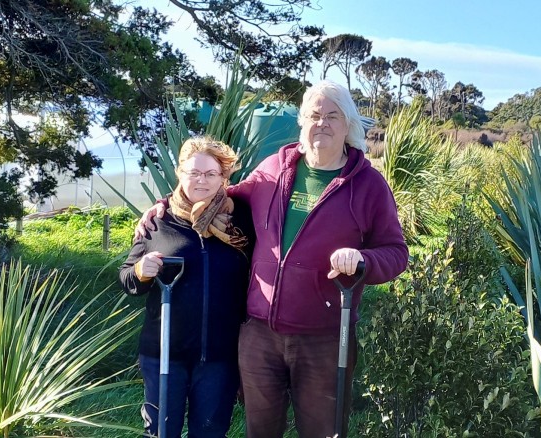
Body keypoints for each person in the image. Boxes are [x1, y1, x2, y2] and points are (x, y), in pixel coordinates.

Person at [135, 80, 408, 438]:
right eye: (314, 115)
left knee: (322, 430)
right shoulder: (274, 168)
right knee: (260, 430)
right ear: (301, 121)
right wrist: (167, 207)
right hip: (259, 334)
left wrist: (362, 260)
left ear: (348, 125)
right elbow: (220, 194)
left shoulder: (368, 184)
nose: (321, 123)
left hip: (323, 335)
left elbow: (396, 252)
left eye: (332, 116)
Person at [120, 137, 254, 438]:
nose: (201, 181)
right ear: (180, 173)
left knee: (209, 432)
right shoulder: (158, 222)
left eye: (210, 174)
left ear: (224, 178)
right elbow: (127, 280)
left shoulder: (242, 220)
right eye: (193, 173)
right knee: (161, 432)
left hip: (220, 357)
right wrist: (141, 271)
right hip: (164, 354)